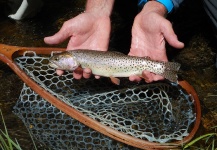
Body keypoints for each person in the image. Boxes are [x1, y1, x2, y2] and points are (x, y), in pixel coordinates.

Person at [44, 0, 186, 83]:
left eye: (58, 59)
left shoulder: (77, 56)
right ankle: (167, 69)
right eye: (58, 59)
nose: (55, 61)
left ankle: (165, 69)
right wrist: (96, 12)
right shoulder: (77, 58)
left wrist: (157, 7)